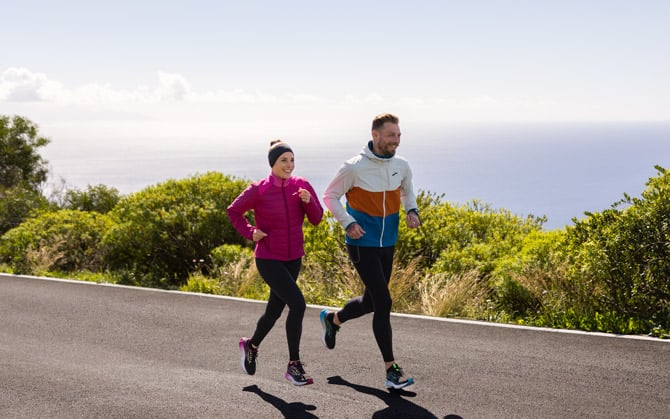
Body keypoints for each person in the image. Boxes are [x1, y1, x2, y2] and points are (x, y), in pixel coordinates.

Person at [320, 113, 420, 389]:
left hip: (388, 242)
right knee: (383, 302)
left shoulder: (402, 165)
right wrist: (348, 222)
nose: (396, 141)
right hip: (361, 243)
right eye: (390, 135)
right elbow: (330, 196)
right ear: (375, 135)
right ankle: (391, 371)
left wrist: (411, 211)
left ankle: (333, 319)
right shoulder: (354, 168)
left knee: (371, 302)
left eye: (398, 135)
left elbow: (407, 192)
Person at [227, 140, 324, 386]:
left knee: (274, 311)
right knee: (298, 305)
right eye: (283, 160)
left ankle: (251, 345)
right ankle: (294, 365)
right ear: (272, 163)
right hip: (268, 258)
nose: (289, 165)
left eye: (292, 160)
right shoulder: (259, 190)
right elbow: (233, 211)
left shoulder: (302, 186)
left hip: (293, 258)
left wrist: (308, 201)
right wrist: (250, 232)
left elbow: (317, 219)